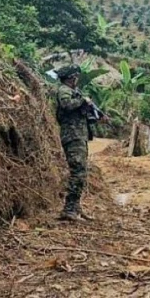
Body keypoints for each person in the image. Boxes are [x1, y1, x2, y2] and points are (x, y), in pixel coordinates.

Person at [54, 64, 94, 221]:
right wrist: (82, 101)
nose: (77, 79)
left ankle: (75, 207)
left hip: (79, 136)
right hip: (72, 136)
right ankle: (69, 209)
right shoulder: (64, 90)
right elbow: (67, 105)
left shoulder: (73, 92)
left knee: (81, 171)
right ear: (71, 78)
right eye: (75, 76)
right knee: (77, 171)